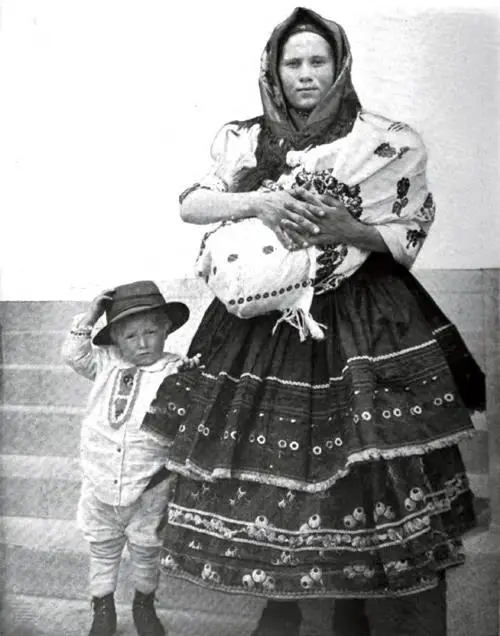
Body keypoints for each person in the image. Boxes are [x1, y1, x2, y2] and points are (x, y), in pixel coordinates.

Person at [144, 8, 485, 636]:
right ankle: (282, 601)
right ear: (275, 70)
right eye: (293, 63)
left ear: (339, 67)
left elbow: (408, 229)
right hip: (262, 323)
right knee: (268, 464)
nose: (305, 74)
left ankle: (352, 601)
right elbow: (192, 202)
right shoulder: (244, 137)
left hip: (361, 318)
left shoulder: (386, 140)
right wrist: (259, 200)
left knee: (363, 459)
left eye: (317, 62)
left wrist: (347, 229)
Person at [62, 280, 200, 636]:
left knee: (146, 547)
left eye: (151, 332)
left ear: (166, 329)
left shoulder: (175, 368)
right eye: (130, 336)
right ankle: (102, 607)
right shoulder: (105, 362)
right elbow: (73, 354)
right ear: (116, 340)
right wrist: (89, 317)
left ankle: (144, 604)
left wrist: (193, 377)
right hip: (99, 478)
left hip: (149, 483)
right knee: (103, 546)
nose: (142, 343)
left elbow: (192, 401)